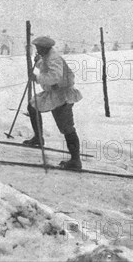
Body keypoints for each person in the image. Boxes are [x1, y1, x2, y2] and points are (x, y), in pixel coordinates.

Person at [23, 36, 84, 170]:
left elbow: (55, 76)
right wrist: (38, 62)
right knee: (33, 106)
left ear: (45, 48)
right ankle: (38, 138)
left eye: (38, 48)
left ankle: (75, 160)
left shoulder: (54, 57)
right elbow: (47, 66)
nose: (37, 50)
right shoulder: (47, 56)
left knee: (66, 128)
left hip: (62, 95)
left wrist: (37, 77)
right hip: (53, 93)